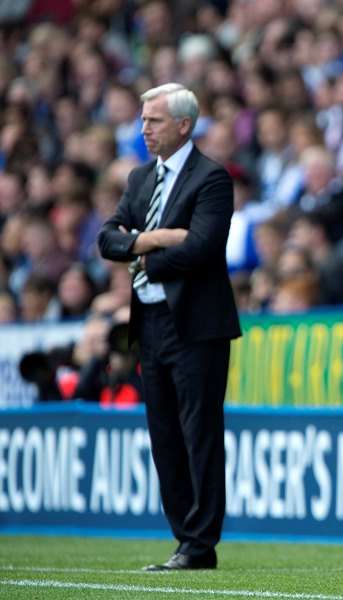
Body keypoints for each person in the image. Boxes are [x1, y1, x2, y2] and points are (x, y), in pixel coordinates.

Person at [97, 83, 241, 571]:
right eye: (142, 121)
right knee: (163, 435)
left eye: (153, 121)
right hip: (151, 322)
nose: (144, 129)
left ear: (184, 125)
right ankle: (184, 538)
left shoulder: (212, 178)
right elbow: (106, 239)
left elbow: (202, 247)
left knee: (198, 432)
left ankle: (200, 543)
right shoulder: (140, 179)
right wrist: (155, 239)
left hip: (197, 325)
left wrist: (142, 257)